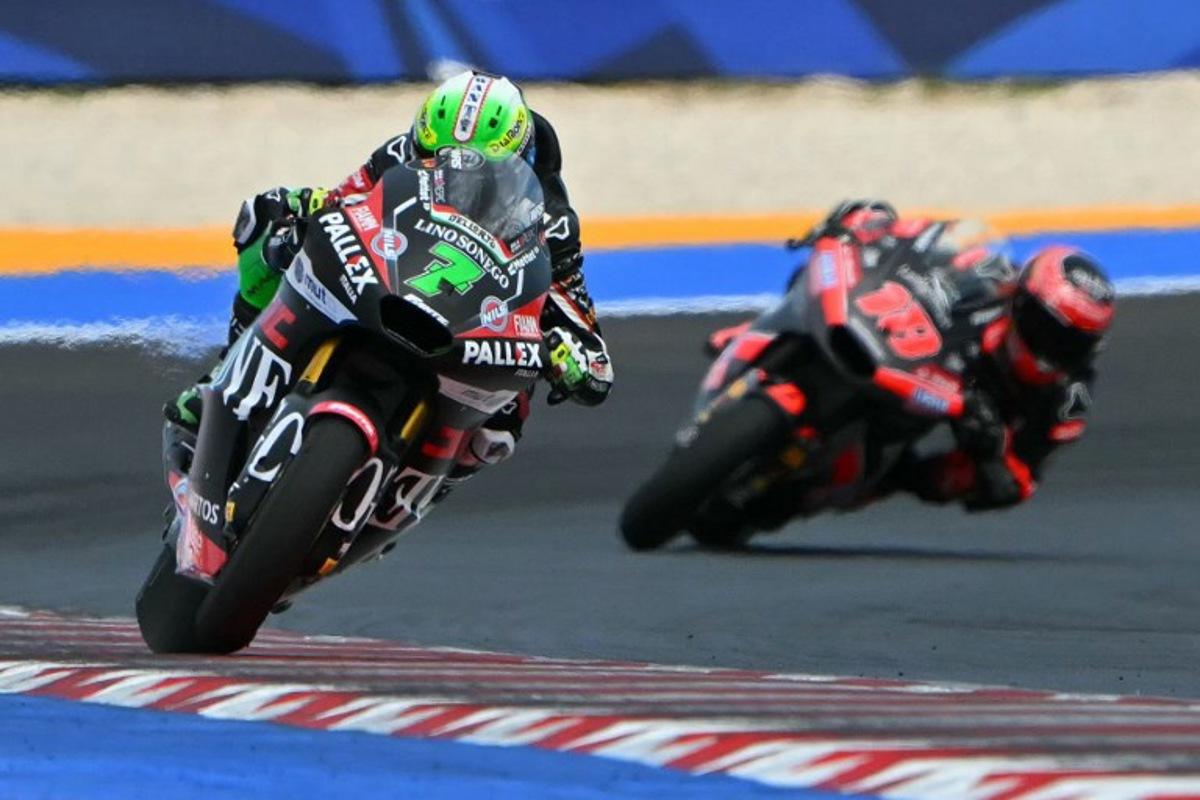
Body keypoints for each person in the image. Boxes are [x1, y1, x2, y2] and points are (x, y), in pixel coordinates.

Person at [166, 70, 613, 485]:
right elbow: (342, 201)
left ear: (517, 159)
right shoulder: (401, 152)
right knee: (264, 223)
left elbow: (581, 324)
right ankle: (226, 373)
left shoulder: (551, 220)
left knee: (498, 431)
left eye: (472, 170)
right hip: (391, 281)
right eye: (432, 157)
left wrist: (570, 352)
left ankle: (416, 484)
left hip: (473, 327)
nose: (448, 173)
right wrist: (294, 219)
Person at [710, 200, 1116, 513]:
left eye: (1070, 342)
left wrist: (989, 454)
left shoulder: (1067, 398)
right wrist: (866, 225)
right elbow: (914, 238)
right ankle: (758, 333)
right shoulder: (986, 273)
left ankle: (801, 492)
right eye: (1047, 328)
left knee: (896, 477)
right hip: (896, 343)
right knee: (808, 279)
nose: (1054, 347)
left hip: (922, 408)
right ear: (1021, 300)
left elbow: (1021, 481)